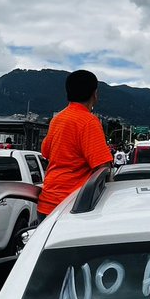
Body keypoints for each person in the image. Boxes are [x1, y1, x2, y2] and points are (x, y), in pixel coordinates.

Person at [38, 70, 114, 220]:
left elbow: (45, 152)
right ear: (94, 94)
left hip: (46, 204)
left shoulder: (57, 119)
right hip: (71, 206)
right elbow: (103, 168)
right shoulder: (88, 122)